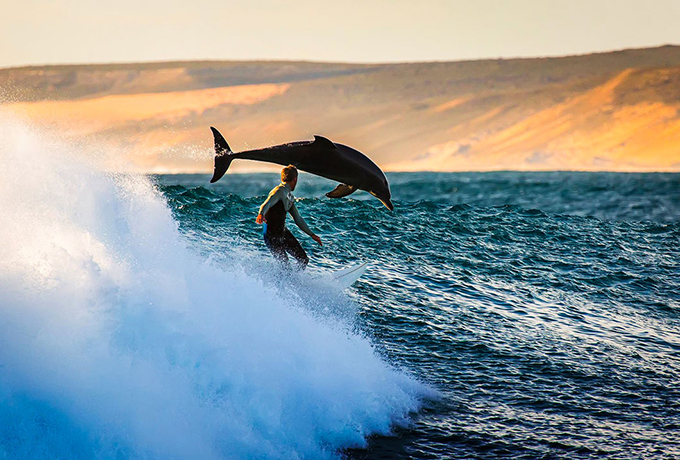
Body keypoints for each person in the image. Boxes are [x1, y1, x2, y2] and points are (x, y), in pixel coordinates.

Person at [256, 165, 322, 269]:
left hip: (282, 232)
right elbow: (266, 203)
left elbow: (298, 219)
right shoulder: (278, 191)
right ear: (295, 179)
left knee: (303, 259)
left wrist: (312, 235)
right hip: (271, 235)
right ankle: (282, 283)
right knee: (285, 266)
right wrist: (261, 214)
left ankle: (295, 281)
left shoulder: (290, 197)